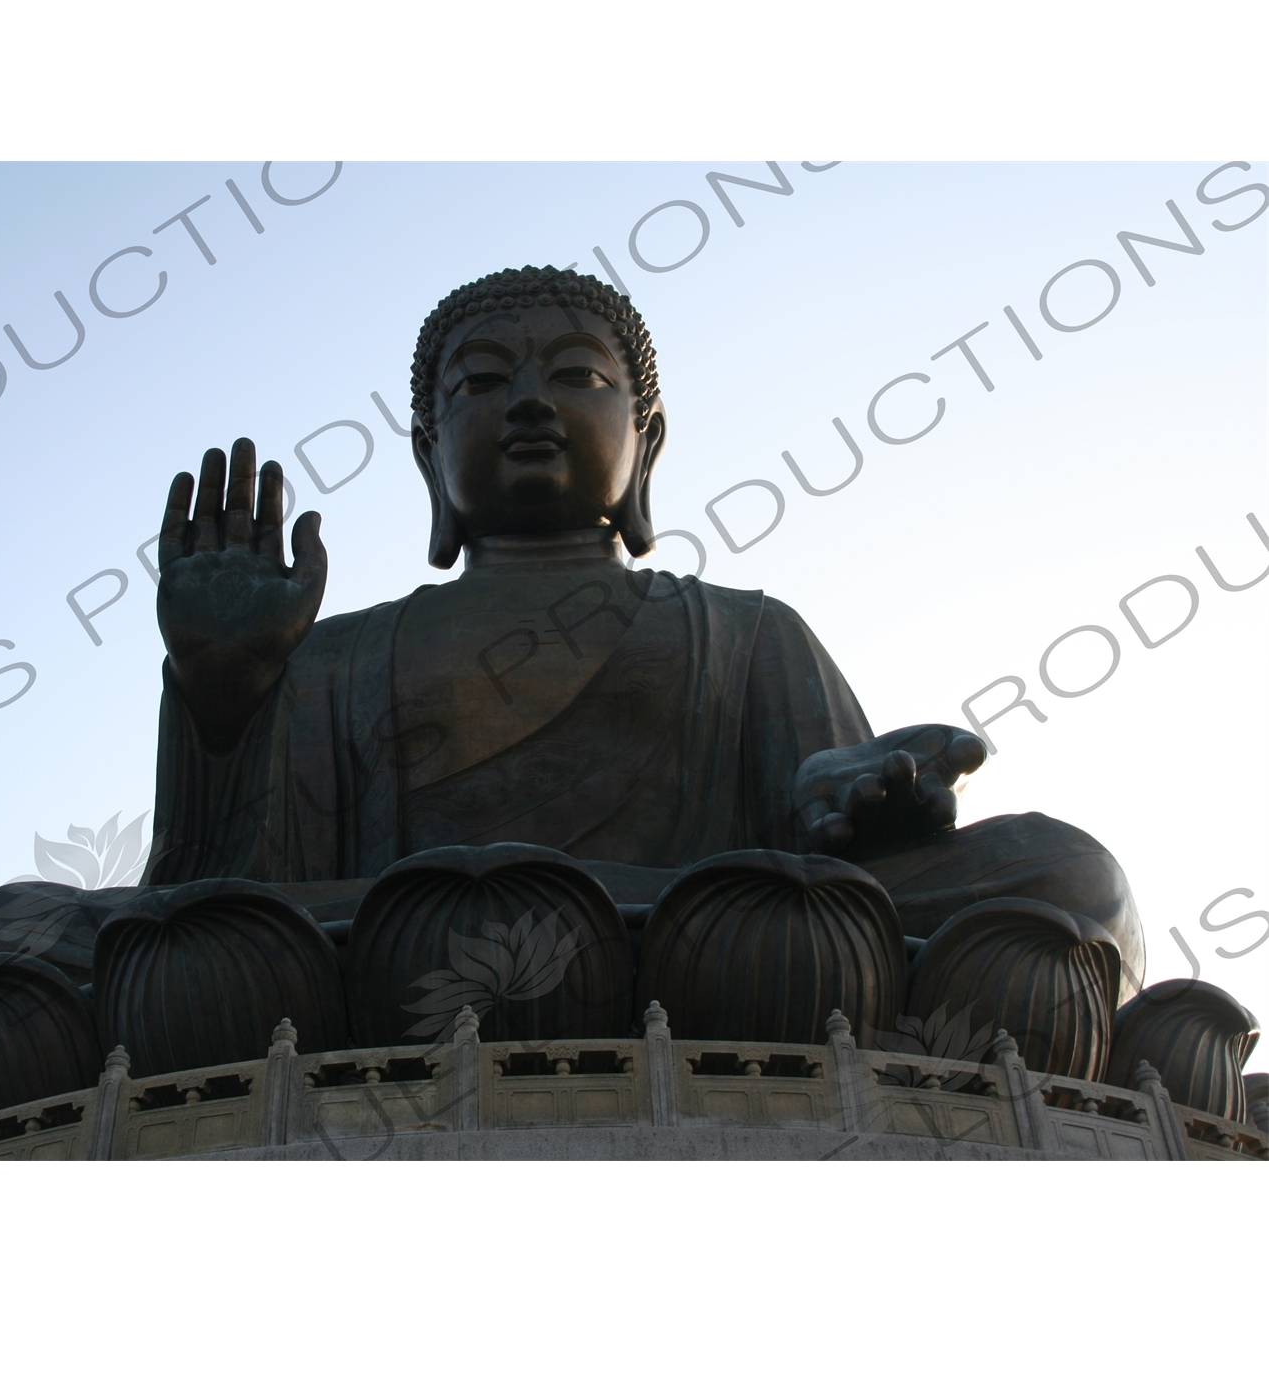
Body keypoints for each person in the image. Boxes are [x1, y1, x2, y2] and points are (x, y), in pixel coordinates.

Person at [146, 265, 1143, 986]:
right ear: (428, 452)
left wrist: (856, 801)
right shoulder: (332, 656)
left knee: (1068, 877)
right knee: (6, 931)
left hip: (705, 934)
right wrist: (222, 702)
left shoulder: (745, 632)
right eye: (483, 384)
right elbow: (211, 894)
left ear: (646, 440)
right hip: (477, 947)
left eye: (577, 377)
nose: (531, 402)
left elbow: (833, 853)